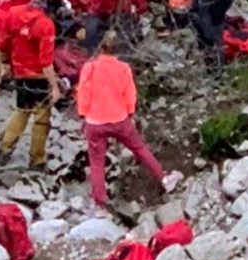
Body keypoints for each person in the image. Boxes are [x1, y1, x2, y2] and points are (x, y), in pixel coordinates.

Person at [75, 51, 180, 208]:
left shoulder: (90, 67)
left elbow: (83, 92)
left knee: (97, 162)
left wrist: (83, 113)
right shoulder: (123, 68)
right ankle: (164, 180)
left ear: (100, 51)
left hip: (95, 122)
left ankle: (99, 205)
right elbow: (130, 94)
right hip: (119, 118)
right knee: (139, 148)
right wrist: (130, 112)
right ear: (117, 52)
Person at [0, 0, 63, 168]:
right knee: (42, 119)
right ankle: (37, 159)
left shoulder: (14, 13)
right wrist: (55, 86)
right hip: (39, 77)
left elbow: (3, 42)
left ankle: (5, 147)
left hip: (19, 72)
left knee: (22, 111)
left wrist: (6, 64)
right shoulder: (46, 25)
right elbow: (46, 62)